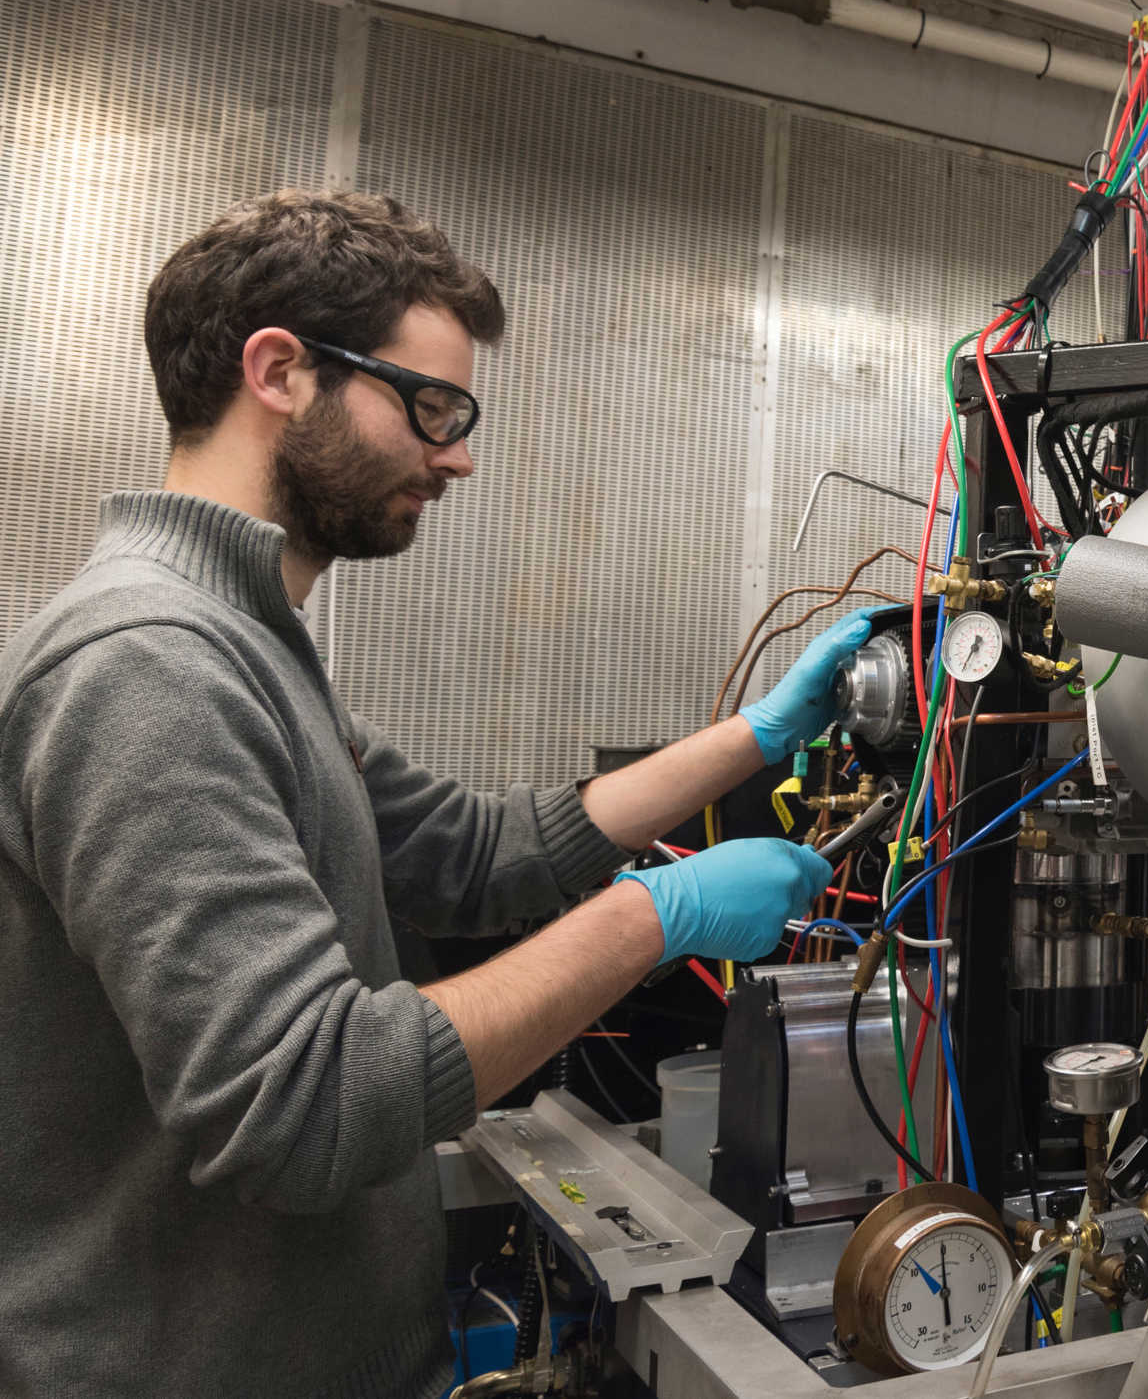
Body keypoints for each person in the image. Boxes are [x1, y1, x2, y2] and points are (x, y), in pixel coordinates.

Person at [0, 189, 874, 1399]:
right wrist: (650, 921)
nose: (457, 453)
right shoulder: (146, 668)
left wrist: (757, 734)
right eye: (432, 406)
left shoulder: (247, 644)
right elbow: (302, 1102)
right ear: (280, 372)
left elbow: (471, 855)